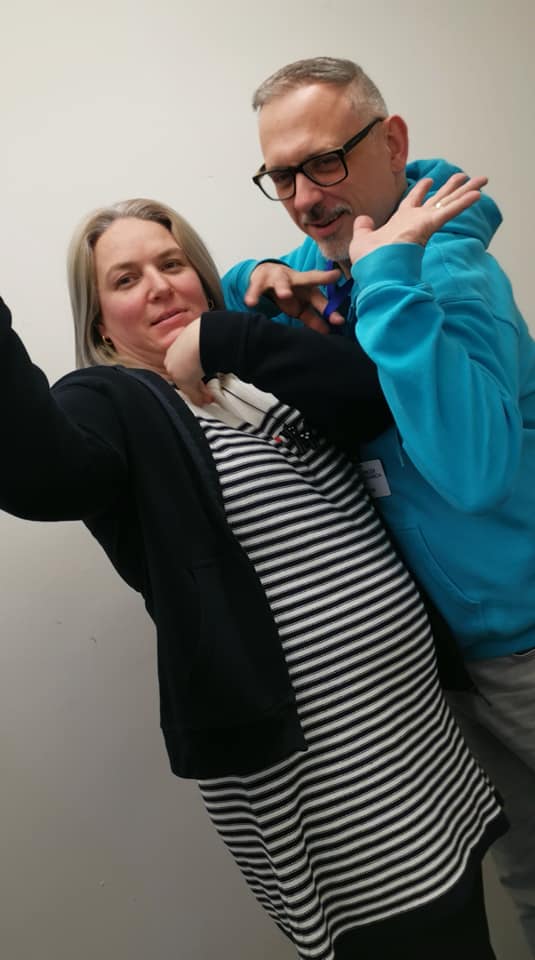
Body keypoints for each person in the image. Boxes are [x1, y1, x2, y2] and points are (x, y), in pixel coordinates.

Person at [0, 195, 506, 960]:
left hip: (414, 733)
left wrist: (243, 324)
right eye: (126, 279)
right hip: (323, 771)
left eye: (172, 263)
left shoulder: (246, 374)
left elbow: (372, 401)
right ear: (101, 323)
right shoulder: (110, 402)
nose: (160, 286)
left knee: (463, 923)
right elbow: (43, 476)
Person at [220, 56, 535, 952]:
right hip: (445, 659)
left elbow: (471, 475)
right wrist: (254, 274)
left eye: (323, 162)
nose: (303, 199)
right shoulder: (332, 261)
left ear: (390, 143)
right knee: (525, 873)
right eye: (281, 175)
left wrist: (392, 276)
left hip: (524, 641)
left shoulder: (451, 279)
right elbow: (258, 276)